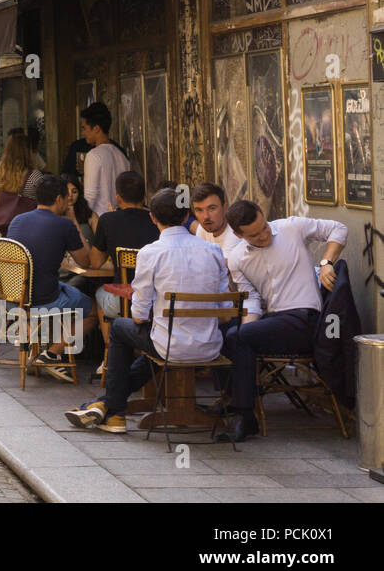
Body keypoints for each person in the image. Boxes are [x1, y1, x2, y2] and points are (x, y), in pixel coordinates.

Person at [64, 187, 231, 434]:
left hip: (169, 345)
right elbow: (225, 312)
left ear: (152, 218)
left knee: (122, 328)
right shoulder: (214, 251)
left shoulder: (149, 253)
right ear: (187, 217)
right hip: (209, 345)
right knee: (158, 338)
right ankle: (107, 404)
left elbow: (138, 315)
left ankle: (115, 410)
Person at [216, 201, 347, 442]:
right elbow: (252, 299)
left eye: (264, 227)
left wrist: (327, 262)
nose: (263, 235)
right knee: (226, 334)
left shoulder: (291, 227)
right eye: (254, 235)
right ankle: (240, 410)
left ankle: (241, 412)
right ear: (238, 235)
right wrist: (249, 329)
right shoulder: (236, 258)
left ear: (264, 216)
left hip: (305, 320)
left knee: (237, 337)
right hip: (274, 323)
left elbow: (338, 228)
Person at [4, 174, 96, 377]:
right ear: (58, 199)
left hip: (13, 298)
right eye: (66, 197)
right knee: (92, 311)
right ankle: (52, 354)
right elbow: (86, 262)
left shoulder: (17, 220)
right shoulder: (64, 225)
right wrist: (74, 222)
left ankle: (39, 352)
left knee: (64, 288)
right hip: (43, 298)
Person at [82, 171, 160, 318]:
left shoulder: (107, 220)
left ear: (118, 198)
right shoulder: (157, 221)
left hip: (123, 300)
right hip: (154, 300)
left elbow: (96, 262)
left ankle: (110, 341)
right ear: (144, 197)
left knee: (99, 293)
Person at [79, 102, 130, 222]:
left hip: (100, 222)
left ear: (96, 128)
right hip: (119, 220)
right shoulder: (121, 155)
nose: (83, 133)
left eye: (84, 128)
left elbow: (89, 198)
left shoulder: (94, 155)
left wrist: (81, 220)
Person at [0, 132, 43, 234]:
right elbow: (44, 210)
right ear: (28, 152)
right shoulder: (35, 176)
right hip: (30, 232)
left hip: (7, 236)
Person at [189, 182, 243, 265]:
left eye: (212, 208)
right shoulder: (202, 229)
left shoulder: (234, 232)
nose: (205, 216)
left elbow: (220, 269)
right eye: (199, 210)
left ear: (225, 208)